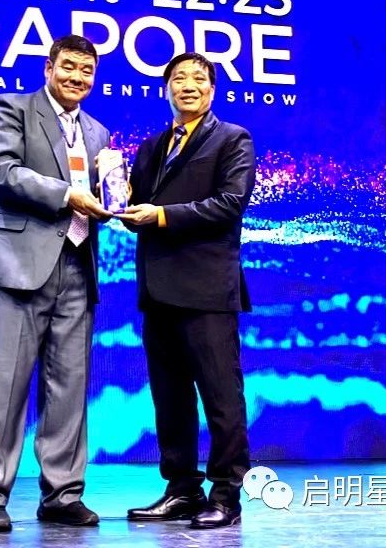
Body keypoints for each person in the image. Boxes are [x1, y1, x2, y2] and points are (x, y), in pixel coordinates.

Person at [0, 34, 117, 532]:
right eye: (68, 67)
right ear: (49, 68)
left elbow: (103, 195)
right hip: (18, 266)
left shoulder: (98, 132)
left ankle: (63, 494)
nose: (77, 77)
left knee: (69, 388)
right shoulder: (12, 108)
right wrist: (69, 195)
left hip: (78, 267)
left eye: (87, 71)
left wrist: (119, 199)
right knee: (4, 386)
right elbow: (1, 171)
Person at [118, 52, 256, 529]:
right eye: (179, 78)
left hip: (207, 290)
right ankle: (181, 489)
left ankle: (226, 494)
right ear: (166, 89)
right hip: (158, 290)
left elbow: (229, 204)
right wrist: (112, 191)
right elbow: (135, 211)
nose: (188, 85)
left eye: (199, 78)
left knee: (221, 399)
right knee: (170, 400)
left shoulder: (233, 139)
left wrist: (160, 215)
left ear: (212, 90)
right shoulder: (151, 146)